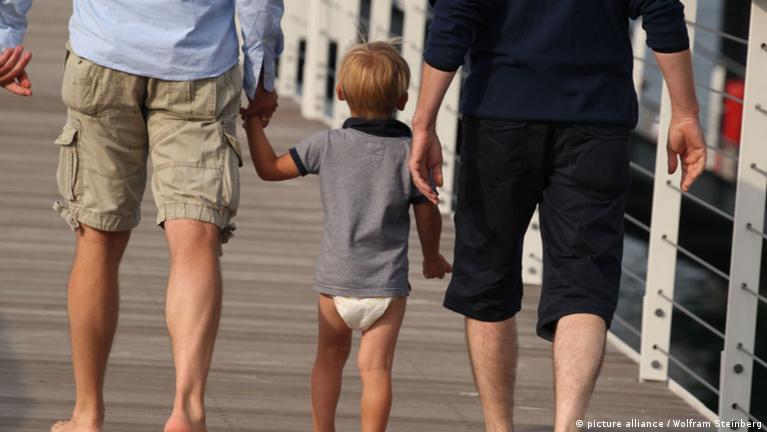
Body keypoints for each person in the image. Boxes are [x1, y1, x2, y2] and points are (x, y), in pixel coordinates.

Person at [410, 1, 707, 431]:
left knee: (488, 276)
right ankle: (567, 426)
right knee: (584, 280)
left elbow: (455, 15)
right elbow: (661, 9)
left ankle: (499, 428)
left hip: (499, 114)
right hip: (596, 119)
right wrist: (685, 112)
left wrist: (424, 123)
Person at [0, 1, 284, 431]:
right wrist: (261, 75)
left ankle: (87, 415)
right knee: (195, 236)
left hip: (104, 54)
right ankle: (187, 410)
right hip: (199, 65)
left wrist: (7, 36)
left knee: (98, 237)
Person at [242, 41, 452, 432]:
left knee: (329, 357)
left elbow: (269, 169)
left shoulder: (327, 145)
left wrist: (253, 122)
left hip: (336, 281)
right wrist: (432, 257)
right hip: (386, 285)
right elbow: (427, 213)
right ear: (403, 100)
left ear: (340, 93)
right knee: (376, 368)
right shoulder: (411, 154)